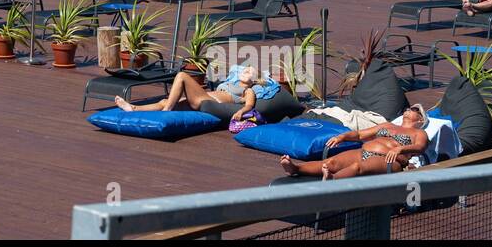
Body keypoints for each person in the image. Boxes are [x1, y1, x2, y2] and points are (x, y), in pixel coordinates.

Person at [280, 106, 431, 179]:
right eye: (407, 108)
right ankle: (295, 168)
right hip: (363, 152)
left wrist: (401, 150)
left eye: (414, 109)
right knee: (329, 163)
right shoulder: (388, 125)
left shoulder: (419, 133)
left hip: (390, 161)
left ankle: (333, 180)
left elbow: (420, 147)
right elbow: (360, 134)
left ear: (420, 119)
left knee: (358, 167)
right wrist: (343, 137)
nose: (408, 109)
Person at [115, 65, 260, 123]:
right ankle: (133, 108)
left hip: (209, 103)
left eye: (249, 72)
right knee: (165, 101)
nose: (244, 71)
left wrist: (241, 112)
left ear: (254, 79)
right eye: (244, 69)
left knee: (182, 76)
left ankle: (166, 112)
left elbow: (250, 105)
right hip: (204, 97)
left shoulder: (248, 90)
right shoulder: (230, 83)